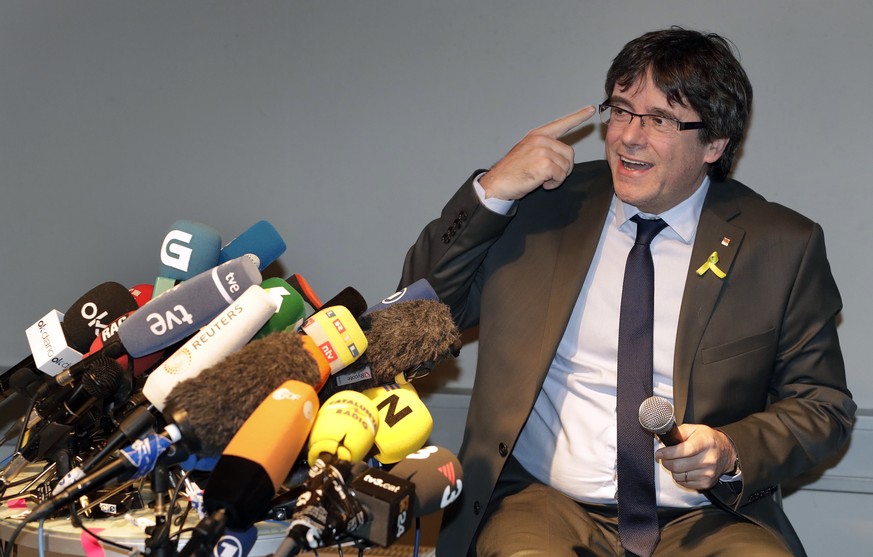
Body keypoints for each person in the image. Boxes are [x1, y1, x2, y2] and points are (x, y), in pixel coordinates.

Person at [399, 27, 856, 556]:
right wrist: (492, 190)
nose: (628, 137)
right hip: (544, 505)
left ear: (715, 143)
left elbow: (823, 407)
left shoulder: (779, 246)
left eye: (660, 119)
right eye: (620, 110)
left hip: (706, 518)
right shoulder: (544, 208)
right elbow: (417, 304)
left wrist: (732, 449)